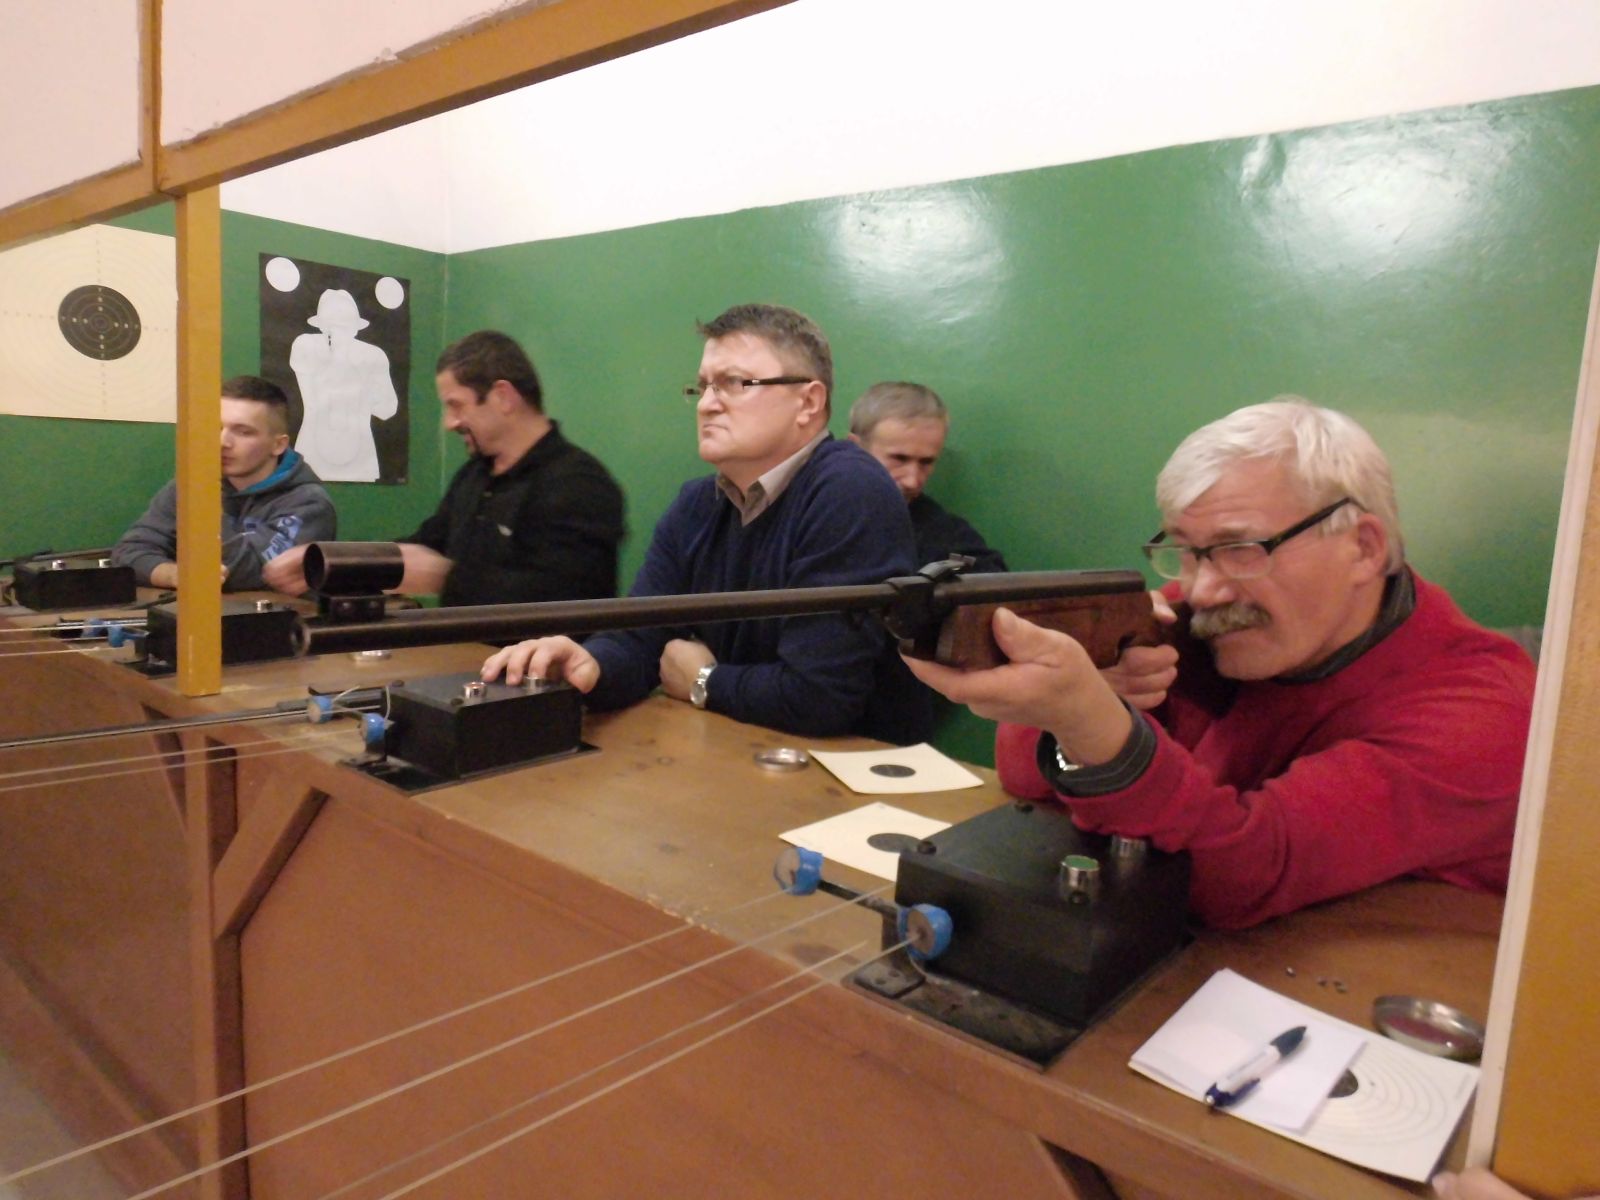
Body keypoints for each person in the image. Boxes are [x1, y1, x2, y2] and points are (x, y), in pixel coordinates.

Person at [905, 398, 1534, 929]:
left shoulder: (1484, 713)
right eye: (1188, 551)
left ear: (1364, 548)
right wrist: (1089, 701)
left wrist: (1094, 724)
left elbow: (1238, 876)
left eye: (1241, 549)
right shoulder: (1219, 621)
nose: (1203, 590)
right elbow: (1027, 779)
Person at [482, 304, 932, 744]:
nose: (707, 405)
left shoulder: (851, 489)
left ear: (808, 403)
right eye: (702, 387)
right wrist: (588, 663)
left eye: (734, 383)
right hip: (739, 755)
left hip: (854, 776)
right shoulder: (696, 504)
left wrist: (704, 680)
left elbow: (819, 697)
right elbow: (639, 641)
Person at [265, 330, 625, 606]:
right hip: (463, 659)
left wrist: (445, 578)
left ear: (503, 397)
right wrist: (332, 563)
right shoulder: (475, 475)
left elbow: (566, 599)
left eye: (456, 405)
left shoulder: (579, 483)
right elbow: (425, 545)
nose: (449, 423)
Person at [112, 375, 336, 591]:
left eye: (243, 432)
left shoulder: (309, 503)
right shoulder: (191, 486)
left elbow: (247, 572)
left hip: (276, 617)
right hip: (192, 615)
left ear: (278, 445)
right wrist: (174, 574)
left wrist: (205, 507)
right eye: (215, 428)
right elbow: (129, 552)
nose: (222, 442)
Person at [848, 381, 1008, 572]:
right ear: (855, 448)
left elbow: (991, 578)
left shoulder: (944, 534)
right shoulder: (818, 512)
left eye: (926, 462)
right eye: (899, 458)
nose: (912, 481)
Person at [289, 288, 399, 482]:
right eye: (333, 326)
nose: (337, 333)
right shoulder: (306, 345)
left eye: (342, 327)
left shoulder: (372, 356)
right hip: (315, 456)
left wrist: (362, 395)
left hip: (359, 460)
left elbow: (388, 409)